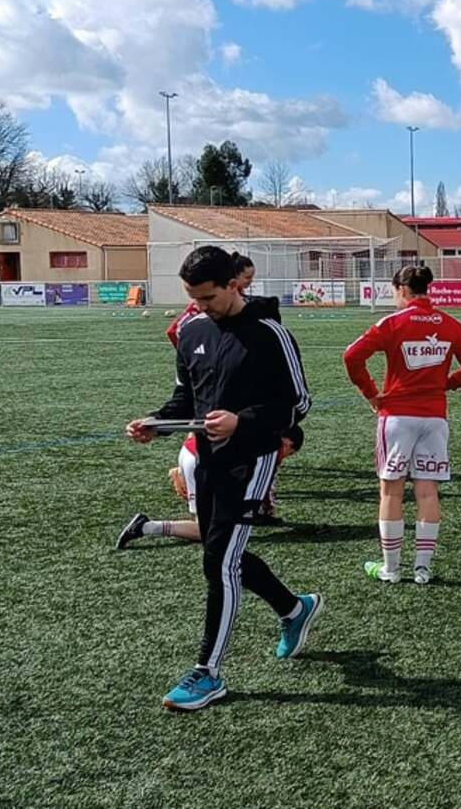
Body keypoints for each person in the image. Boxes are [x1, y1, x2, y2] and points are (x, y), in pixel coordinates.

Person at [125, 246, 321, 712]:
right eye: (193, 297)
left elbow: (299, 405)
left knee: (219, 563)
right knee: (222, 552)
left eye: (208, 297)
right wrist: (157, 423)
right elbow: (185, 399)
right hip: (208, 459)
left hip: (252, 459)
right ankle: (295, 609)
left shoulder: (270, 333)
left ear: (235, 285)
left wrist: (242, 421)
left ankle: (207, 673)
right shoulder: (192, 328)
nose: (199, 306)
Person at [343, 266, 461, 586]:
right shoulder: (450, 324)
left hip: (396, 416)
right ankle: (423, 569)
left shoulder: (393, 323)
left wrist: (371, 392)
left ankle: (391, 569)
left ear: (401, 290)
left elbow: (352, 356)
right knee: (427, 491)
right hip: (434, 418)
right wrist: (446, 384)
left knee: (391, 490)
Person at [115, 427, 304, 549]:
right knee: (207, 531)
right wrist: (267, 511)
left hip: (192, 450)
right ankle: (146, 527)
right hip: (200, 460)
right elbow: (265, 494)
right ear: (286, 443)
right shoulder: (272, 446)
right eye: (290, 452)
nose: (286, 456)